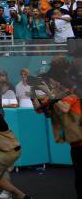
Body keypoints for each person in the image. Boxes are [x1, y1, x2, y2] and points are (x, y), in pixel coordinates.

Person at [31, 58, 81, 197]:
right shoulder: (57, 95)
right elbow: (39, 109)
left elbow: (64, 108)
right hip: (75, 143)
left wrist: (48, 92)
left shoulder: (72, 94)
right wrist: (33, 94)